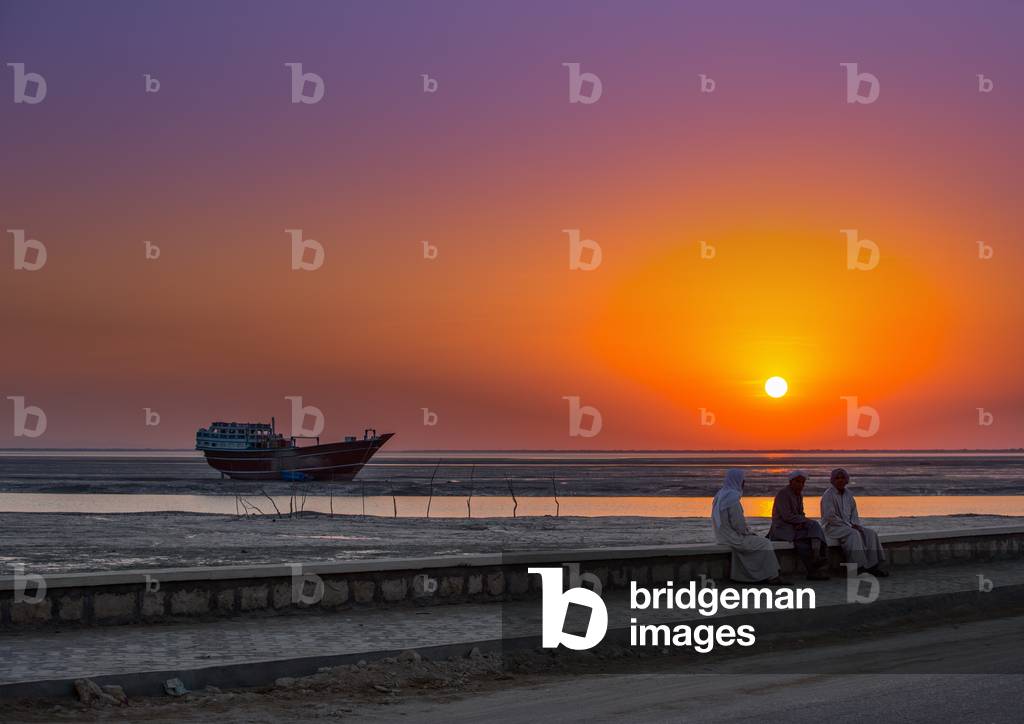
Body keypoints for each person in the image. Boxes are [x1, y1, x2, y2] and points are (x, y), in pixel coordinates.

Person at [711, 468, 787, 585]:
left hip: (721, 536)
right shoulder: (732, 498)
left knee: (756, 540)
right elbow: (738, 524)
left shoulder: (720, 495)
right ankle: (773, 576)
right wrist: (748, 532)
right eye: (742, 481)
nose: (744, 484)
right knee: (765, 543)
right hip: (732, 538)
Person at [820, 468, 889, 576]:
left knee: (870, 533)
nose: (840, 480)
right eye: (837, 478)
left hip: (849, 525)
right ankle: (858, 567)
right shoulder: (828, 495)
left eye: (842, 478)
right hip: (833, 527)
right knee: (854, 534)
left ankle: (872, 566)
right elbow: (830, 517)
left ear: (846, 480)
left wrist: (855, 524)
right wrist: (850, 526)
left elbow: (854, 513)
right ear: (833, 480)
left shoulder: (849, 494)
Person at [768, 470, 830, 580]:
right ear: (791, 482)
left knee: (811, 529)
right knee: (805, 537)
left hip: (795, 527)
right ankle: (814, 566)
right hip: (781, 529)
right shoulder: (783, 494)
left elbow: (800, 513)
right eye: (798, 482)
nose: (800, 485)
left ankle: (816, 560)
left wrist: (801, 522)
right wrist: (802, 521)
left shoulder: (799, 495)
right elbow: (786, 516)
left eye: (802, 482)